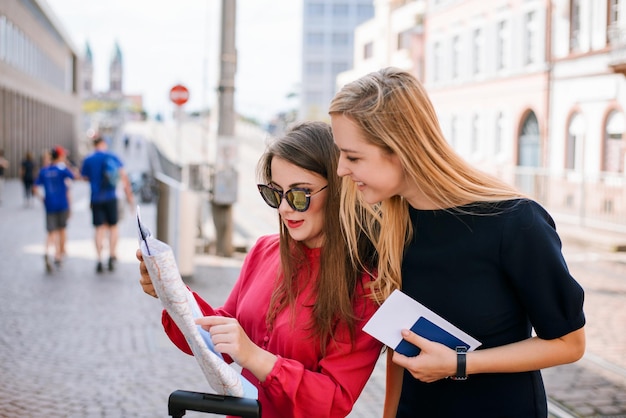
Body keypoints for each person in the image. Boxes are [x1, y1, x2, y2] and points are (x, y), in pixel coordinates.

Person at [328, 67, 586, 418]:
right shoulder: (385, 225)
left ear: (400, 149)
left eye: (353, 156)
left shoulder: (515, 223)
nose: (342, 169)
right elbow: (401, 350)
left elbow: (569, 344)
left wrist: (461, 364)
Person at [136, 121, 383, 417]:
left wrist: (254, 356)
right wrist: (173, 293)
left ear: (339, 189)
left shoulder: (366, 284)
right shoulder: (265, 249)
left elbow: (335, 400)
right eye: (275, 193)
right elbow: (225, 335)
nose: (283, 208)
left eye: (299, 194)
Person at [80, 135, 134, 273]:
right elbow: (123, 176)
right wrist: (130, 198)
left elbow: (84, 177)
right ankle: (112, 255)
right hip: (111, 197)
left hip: (96, 198)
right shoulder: (112, 156)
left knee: (99, 229)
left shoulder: (88, 159)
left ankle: (99, 259)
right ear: (104, 143)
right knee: (113, 227)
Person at [33, 146, 75, 272]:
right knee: (62, 230)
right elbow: (73, 176)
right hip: (62, 204)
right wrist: (66, 164)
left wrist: (42, 199)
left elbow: (34, 188)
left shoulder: (44, 171)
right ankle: (58, 255)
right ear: (60, 156)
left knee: (51, 232)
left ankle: (46, 251)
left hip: (49, 205)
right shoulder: (62, 169)